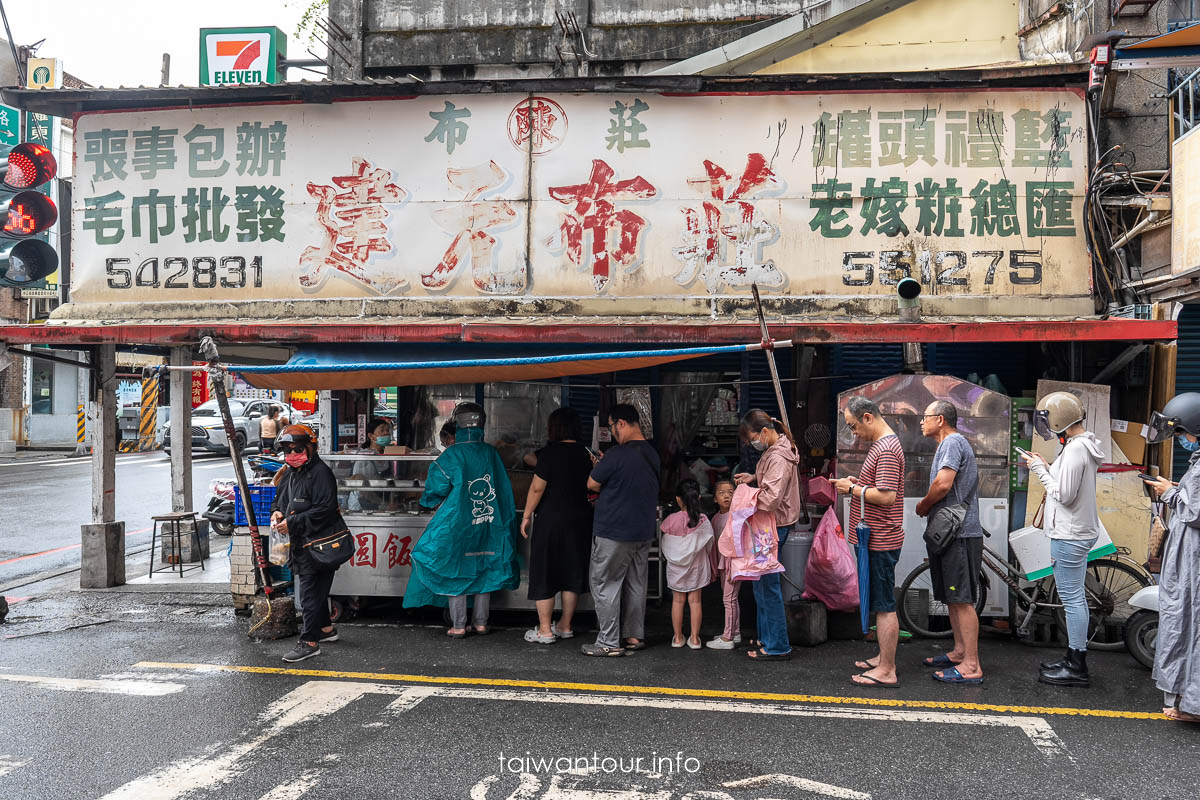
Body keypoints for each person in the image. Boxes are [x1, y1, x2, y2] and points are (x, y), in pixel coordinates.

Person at [404, 402, 519, 638]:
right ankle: (481, 623)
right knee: (485, 569)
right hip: (489, 522)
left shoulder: (453, 454)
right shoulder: (490, 453)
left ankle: (458, 625)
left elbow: (435, 488)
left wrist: (427, 502)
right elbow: (504, 490)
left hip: (457, 523)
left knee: (455, 568)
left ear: (458, 424)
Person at [1019, 391, 1105, 688]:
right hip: (1077, 532)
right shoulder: (1082, 446)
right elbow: (1068, 484)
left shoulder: (1076, 450)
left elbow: (1064, 495)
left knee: (1072, 601)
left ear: (1058, 420)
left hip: (1069, 535)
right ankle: (1072, 658)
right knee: (1074, 599)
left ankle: (1077, 666)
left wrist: (1038, 469)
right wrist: (1047, 464)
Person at [833, 396, 905, 688]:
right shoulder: (883, 445)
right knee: (880, 601)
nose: (854, 434)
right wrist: (857, 486)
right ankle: (883, 658)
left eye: (853, 426)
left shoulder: (886, 448)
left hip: (880, 539)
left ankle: (887, 670)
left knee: (885, 604)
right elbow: (878, 488)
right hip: (877, 537)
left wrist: (852, 488)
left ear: (867, 417)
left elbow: (886, 497)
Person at [581, 403, 660, 657]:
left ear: (622, 423)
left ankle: (608, 641)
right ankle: (634, 636)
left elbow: (592, 483)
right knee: (636, 583)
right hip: (643, 531)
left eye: (613, 426)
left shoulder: (616, 454)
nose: (613, 432)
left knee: (606, 584)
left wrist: (598, 465)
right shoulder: (651, 453)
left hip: (614, 530)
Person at [914, 400, 984, 684]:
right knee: (953, 598)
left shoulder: (953, 443)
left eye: (925, 417)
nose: (922, 422)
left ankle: (971, 665)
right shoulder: (948, 444)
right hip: (951, 535)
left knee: (962, 600)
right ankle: (959, 651)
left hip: (960, 534)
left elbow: (943, 484)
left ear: (940, 420)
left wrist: (923, 505)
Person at [270, 424, 348, 663]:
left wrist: (292, 523)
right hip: (301, 545)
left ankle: (309, 642)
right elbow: (279, 501)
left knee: (310, 594)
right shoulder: (290, 472)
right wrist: (277, 514)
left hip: (320, 545)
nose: (293, 454)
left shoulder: (321, 473)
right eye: (288, 450)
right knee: (315, 590)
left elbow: (325, 510)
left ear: (311, 448)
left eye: (298, 449)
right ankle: (325, 630)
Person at [1144, 394, 1200, 721]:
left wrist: (1170, 492)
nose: (1180, 440)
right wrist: (1177, 488)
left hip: (1193, 560)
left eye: (1181, 434)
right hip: (1187, 557)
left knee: (1190, 623)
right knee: (1184, 621)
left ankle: (1192, 704)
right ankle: (1187, 700)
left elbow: (1195, 511)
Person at [520, 408, 595, 645]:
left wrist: (526, 515)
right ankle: (565, 625)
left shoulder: (550, 454)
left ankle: (545, 630)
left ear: (555, 428)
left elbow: (536, 488)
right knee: (572, 571)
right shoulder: (587, 453)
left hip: (551, 520)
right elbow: (594, 485)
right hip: (581, 520)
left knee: (545, 571)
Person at [734, 409, 801, 662]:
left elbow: (771, 499)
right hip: (772, 525)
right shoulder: (777, 450)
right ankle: (767, 637)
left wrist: (746, 496)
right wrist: (754, 477)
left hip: (774, 526)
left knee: (767, 587)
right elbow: (775, 485)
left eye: (752, 437)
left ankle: (777, 646)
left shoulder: (778, 457)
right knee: (761, 584)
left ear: (764, 432)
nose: (753, 443)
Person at [660, 478, 714, 649]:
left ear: (678, 499)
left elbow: (664, 542)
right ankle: (695, 639)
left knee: (678, 601)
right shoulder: (703, 520)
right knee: (695, 601)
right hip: (697, 566)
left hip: (676, 568)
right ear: (698, 497)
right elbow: (709, 544)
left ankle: (677, 638)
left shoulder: (670, 520)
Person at [707, 478, 741, 650]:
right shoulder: (715, 519)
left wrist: (733, 567)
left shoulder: (736, 517)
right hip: (722, 565)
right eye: (721, 493)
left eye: (730, 492)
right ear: (715, 499)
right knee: (731, 599)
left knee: (729, 599)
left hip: (732, 565)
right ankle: (734, 632)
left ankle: (728, 638)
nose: (727, 496)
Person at [348, 417, 395, 512]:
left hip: (379, 505)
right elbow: (363, 489)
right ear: (371, 436)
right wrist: (383, 504)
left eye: (387, 430)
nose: (386, 433)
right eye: (382, 430)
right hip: (361, 507)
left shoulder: (387, 456)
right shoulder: (365, 458)